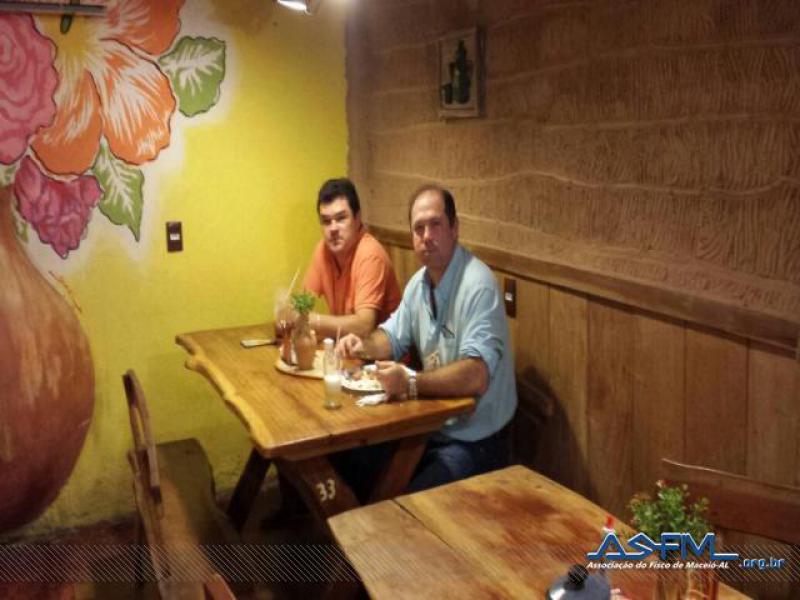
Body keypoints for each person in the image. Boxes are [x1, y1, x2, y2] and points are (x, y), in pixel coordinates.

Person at [337, 184, 517, 492]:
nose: (427, 236)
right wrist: (361, 346)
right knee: (351, 459)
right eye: (418, 228)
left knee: (409, 500)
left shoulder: (478, 284)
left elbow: (476, 375)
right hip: (430, 429)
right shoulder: (418, 284)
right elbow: (391, 338)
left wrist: (410, 383)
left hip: (476, 440)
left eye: (435, 224)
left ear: (454, 228)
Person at [301, 178, 401, 339]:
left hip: (382, 352)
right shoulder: (322, 249)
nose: (333, 228)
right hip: (346, 348)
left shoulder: (370, 254)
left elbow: (364, 326)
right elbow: (302, 306)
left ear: (357, 218)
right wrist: (290, 314)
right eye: (326, 221)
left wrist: (314, 321)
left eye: (341, 218)